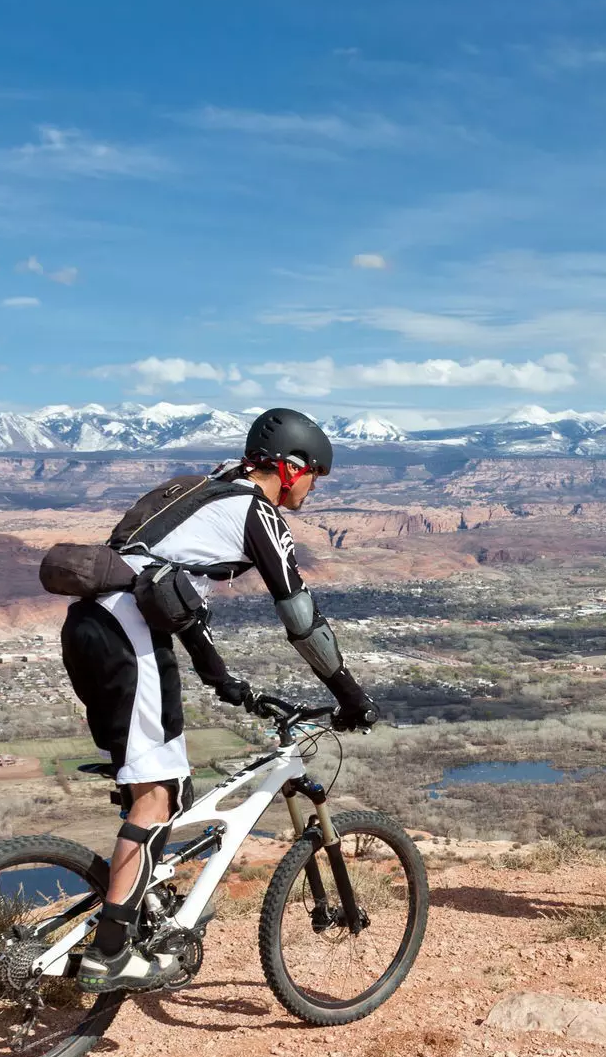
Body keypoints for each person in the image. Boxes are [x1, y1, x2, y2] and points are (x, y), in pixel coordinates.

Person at [59, 407, 377, 991]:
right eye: (314, 476)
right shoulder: (256, 510)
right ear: (289, 468)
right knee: (156, 796)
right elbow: (302, 620)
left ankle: (139, 914)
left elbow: (168, 590)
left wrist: (225, 682)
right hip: (127, 637)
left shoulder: (204, 490)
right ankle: (109, 954)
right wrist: (350, 695)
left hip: (87, 626)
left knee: (162, 788)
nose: (313, 488)